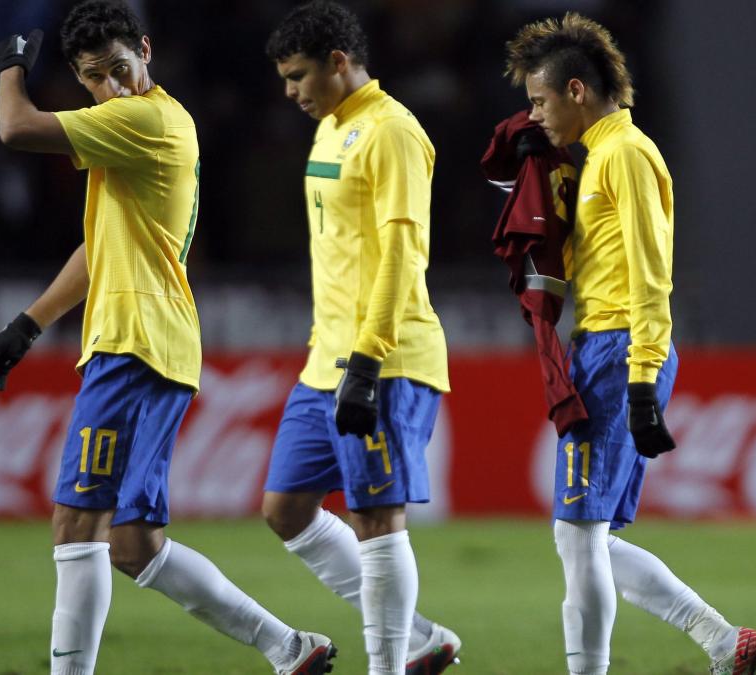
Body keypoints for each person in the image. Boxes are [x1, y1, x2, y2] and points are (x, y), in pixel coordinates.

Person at [0, 2, 335, 673]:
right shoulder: (134, 126)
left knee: (76, 526)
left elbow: (14, 127)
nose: (109, 86)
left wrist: (10, 66)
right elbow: (101, 245)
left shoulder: (146, 118)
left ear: (145, 49)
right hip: (154, 343)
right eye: (92, 78)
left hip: (134, 344)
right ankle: (289, 647)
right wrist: (28, 324)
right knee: (134, 541)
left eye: (118, 68)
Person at [500, 13, 756, 675]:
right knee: (588, 537)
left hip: (622, 350)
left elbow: (653, 274)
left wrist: (644, 378)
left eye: (538, 101)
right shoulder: (596, 157)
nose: (533, 116)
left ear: (575, 91)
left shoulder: (625, 154)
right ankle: (720, 638)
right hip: (607, 348)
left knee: (577, 533)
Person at [261, 2, 461, 674]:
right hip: (326, 361)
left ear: (338, 64)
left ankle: (387, 664)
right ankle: (419, 638)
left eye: (298, 76)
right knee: (285, 507)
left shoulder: (392, 132)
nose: (290, 91)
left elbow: (405, 253)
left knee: (377, 518)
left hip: (387, 358)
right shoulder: (330, 128)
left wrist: (369, 360)